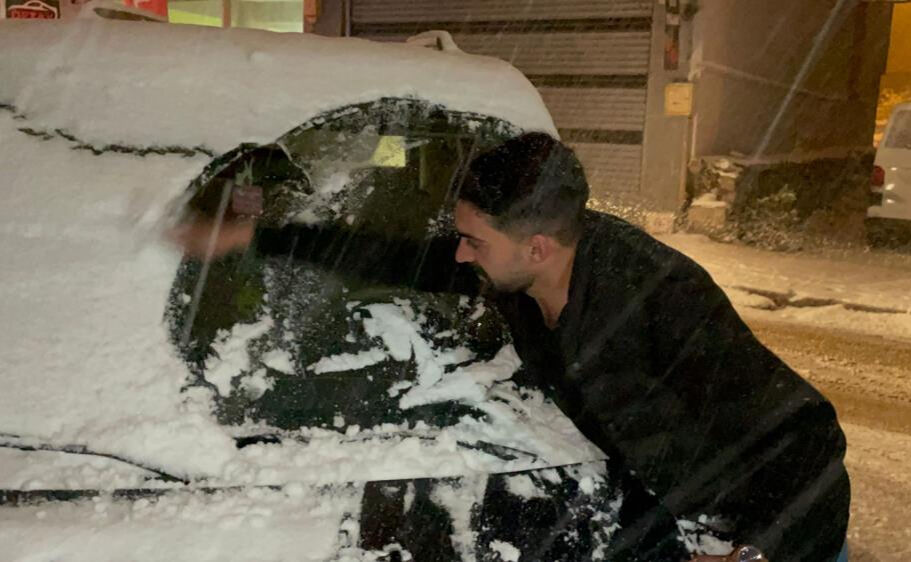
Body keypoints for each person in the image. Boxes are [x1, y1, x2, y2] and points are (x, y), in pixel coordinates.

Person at [171, 132, 850, 561]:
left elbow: (809, 436)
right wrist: (259, 238)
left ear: (537, 247)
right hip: (669, 516)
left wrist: (757, 551)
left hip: (760, 531)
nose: (461, 254)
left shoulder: (660, 297)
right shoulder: (521, 270)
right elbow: (404, 259)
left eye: (475, 241)